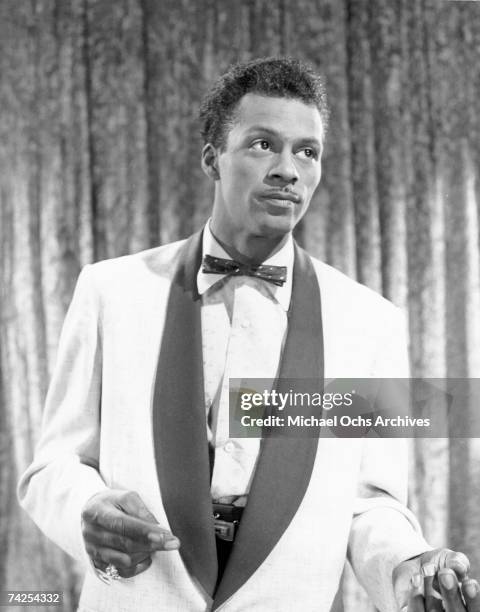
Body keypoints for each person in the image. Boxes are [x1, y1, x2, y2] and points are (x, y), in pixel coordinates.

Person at [18, 57, 479, 612]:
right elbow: (54, 468)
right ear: (213, 158)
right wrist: (86, 510)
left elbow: (367, 504)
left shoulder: (370, 321)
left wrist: (406, 565)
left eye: (307, 151)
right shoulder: (110, 291)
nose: (288, 169)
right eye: (263, 144)